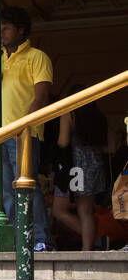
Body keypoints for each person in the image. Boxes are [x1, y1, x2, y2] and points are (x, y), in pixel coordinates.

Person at [0, 6, 54, 251]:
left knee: (28, 189)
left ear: (21, 29)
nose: (1, 32)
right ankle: (19, 242)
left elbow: (41, 97)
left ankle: (41, 239)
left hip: (26, 135)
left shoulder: (37, 56)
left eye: (7, 28)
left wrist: (22, 128)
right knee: (8, 193)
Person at [52, 103, 109, 251]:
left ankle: (96, 240)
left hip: (75, 167)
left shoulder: (69, 112)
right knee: (86, 210)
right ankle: (87, 249)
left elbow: (63, 141)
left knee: (58, 210)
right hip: (94, 165)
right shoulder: (99, 115)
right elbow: (109, 146)